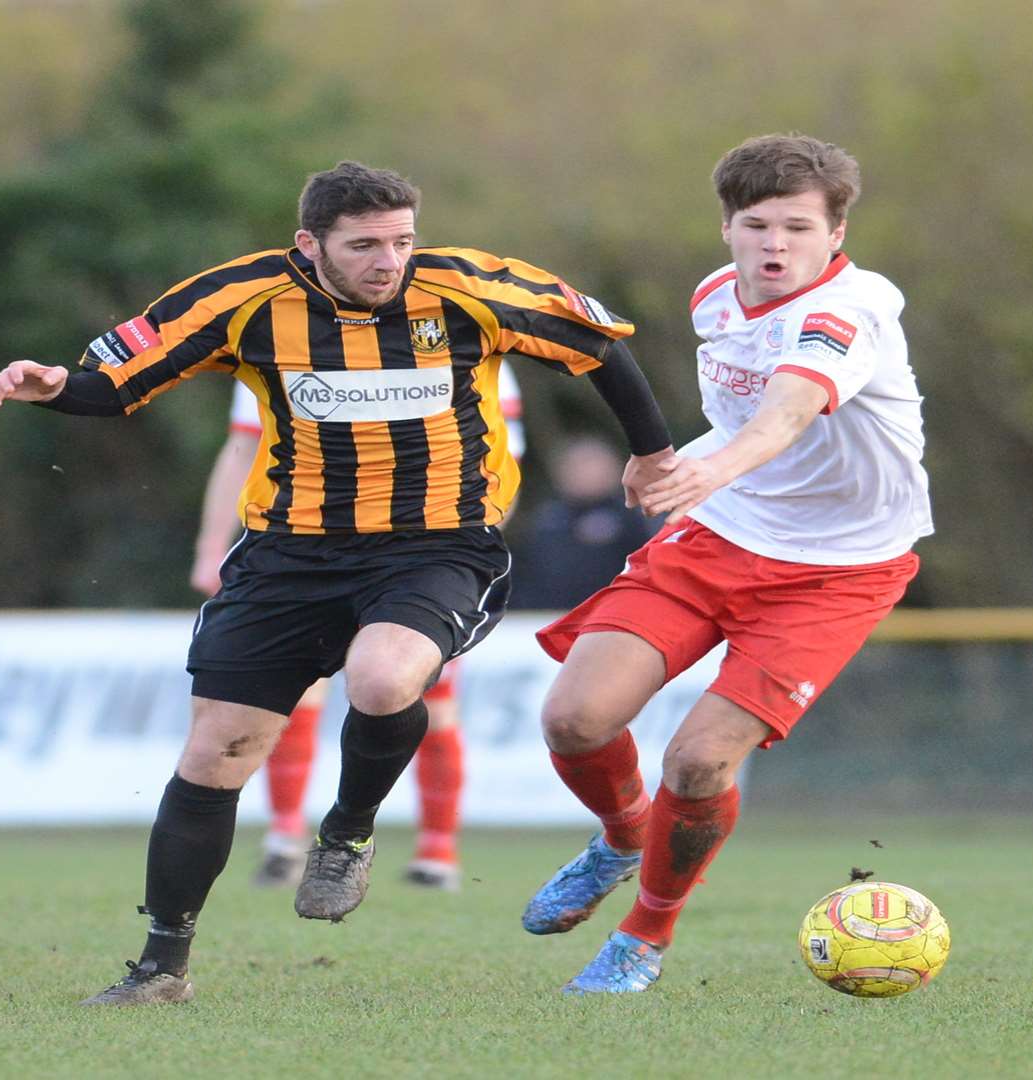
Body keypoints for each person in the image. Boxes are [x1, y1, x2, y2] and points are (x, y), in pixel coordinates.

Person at [0, 160, 673, 1005]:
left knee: (383, 678)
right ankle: (161, 968)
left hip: (439, 544)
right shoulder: (239, 300)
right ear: (309, 244)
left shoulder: (473, 290)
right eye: (364, 246)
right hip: (289, 553)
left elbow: (598, 347)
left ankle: (346, 832)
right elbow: (117, 383)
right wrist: (55, 388)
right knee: (217, 751)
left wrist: (651, 451)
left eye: (401, 241)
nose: (388, 261)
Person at [520, 133, 931, 994]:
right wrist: (665, 459)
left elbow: (786, 413)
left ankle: (644, 937)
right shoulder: (715, 298)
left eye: (796, 226)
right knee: (574, 720)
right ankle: (624, 837)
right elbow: (736, 414)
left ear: (835, 231)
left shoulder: (850, 310)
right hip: (720, 535)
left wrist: (704, 471)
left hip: (838, 570)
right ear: (727, 229)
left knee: (700, 762)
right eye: (756, 226)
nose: (774, 245)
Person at [192, 373, 528, 892]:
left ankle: (436, 851)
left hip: (421, 559)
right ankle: (285, 838)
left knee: (423, 697)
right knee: (292, 692)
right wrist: (211, 547)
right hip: (306, 553)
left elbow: (499, 461)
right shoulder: (272, 333)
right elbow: (243, 446)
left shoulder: (459, 331)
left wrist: (462, 562)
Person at [507, 436, 655, 611]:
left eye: (590, 465)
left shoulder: (632, 517)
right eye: (576, 466)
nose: (582, 473)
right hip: (542, 618)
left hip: (610, 617)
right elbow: (525, 570)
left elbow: (647, 569)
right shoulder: (548, 517)